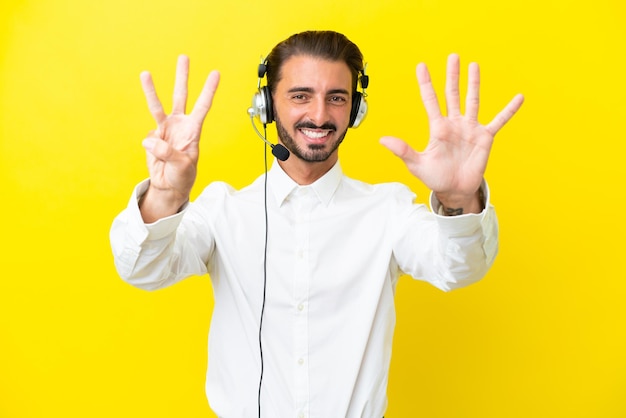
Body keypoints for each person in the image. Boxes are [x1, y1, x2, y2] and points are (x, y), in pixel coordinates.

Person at [110, 30, 523, 418]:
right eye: (300, 96)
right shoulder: (223, 210)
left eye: (337, 98)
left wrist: (457, 201)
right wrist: (165, 195)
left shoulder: (388, 209)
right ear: (267, 105)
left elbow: (459, 267)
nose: (320, 115)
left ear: (356, 110)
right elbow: (142, 269)